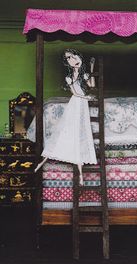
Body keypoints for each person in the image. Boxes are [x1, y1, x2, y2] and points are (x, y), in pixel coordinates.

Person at [34, 49, 97, 185]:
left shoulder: (84, 75)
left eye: (75, 57)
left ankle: (80, 176)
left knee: (80, 134)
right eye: (69, 59)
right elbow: (75, 93)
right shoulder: (69, 78)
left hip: (83, 105)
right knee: (65, 130)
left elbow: (92, 85)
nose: (74, 60)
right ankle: (42, 161)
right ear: (68, 63)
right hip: (76, 103)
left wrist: (91, 68)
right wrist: (86, 97)